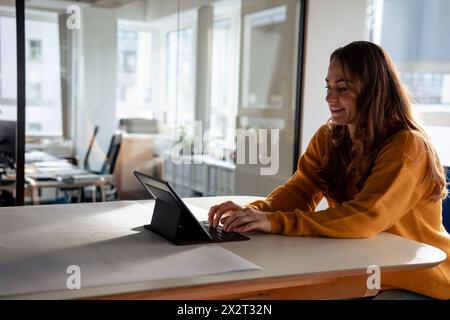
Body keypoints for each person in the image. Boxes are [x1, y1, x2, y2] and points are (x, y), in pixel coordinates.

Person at [208, 41, 450, 300]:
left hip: (416, 276)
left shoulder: (407, 146)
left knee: (270, 294)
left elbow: (365, 218)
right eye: (328, 87)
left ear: (372, 91)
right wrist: (254, 213)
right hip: (361, 262)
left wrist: (273, 222)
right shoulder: (329, 137)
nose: (329, 98)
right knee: (251, 289)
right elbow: (299, 192)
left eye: (342, 89)